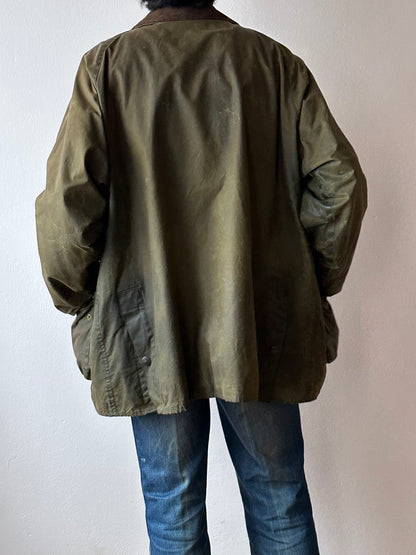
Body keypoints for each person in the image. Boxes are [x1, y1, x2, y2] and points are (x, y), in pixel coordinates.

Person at [35, 0, 367, 553]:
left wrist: (77, 298)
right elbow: (341, 183)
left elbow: (68, 212)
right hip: (258, 325)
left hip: (148, 329)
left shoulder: (107, 69)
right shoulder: (275, 64)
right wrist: (308, 281)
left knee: (173, 511)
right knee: (279, 501)